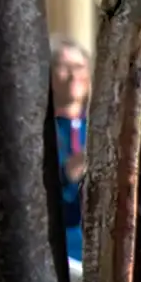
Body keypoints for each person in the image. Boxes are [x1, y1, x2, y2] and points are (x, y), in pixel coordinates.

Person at [51, 36, 91, 264]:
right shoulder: (37, 130)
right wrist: (66, 174)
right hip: (57, 247)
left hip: (96, 251)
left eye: (79, 67)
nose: (73, 75)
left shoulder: (100, 127)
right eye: (64, 67)